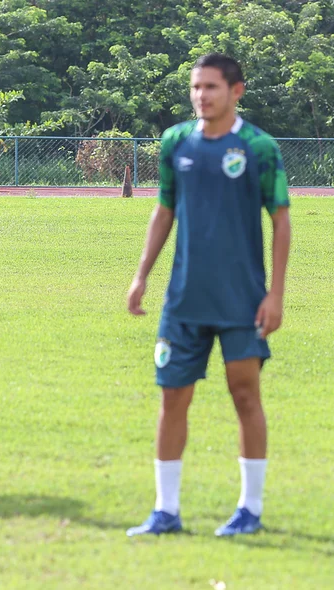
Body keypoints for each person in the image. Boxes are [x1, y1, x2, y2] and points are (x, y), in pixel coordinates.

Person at [124, 53, 291, 537]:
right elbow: (163, 211)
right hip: (184, 301)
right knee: (172, 398)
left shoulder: (259, 148)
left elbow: (281, 221)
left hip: (242, 300)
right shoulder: (176, 142)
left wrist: (275, 295)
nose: (201, 95)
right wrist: (141, 276)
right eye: (196, 87)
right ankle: (165, 511)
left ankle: (250, 510)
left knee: (245, 395)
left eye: (211, 87)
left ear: (236, 91)